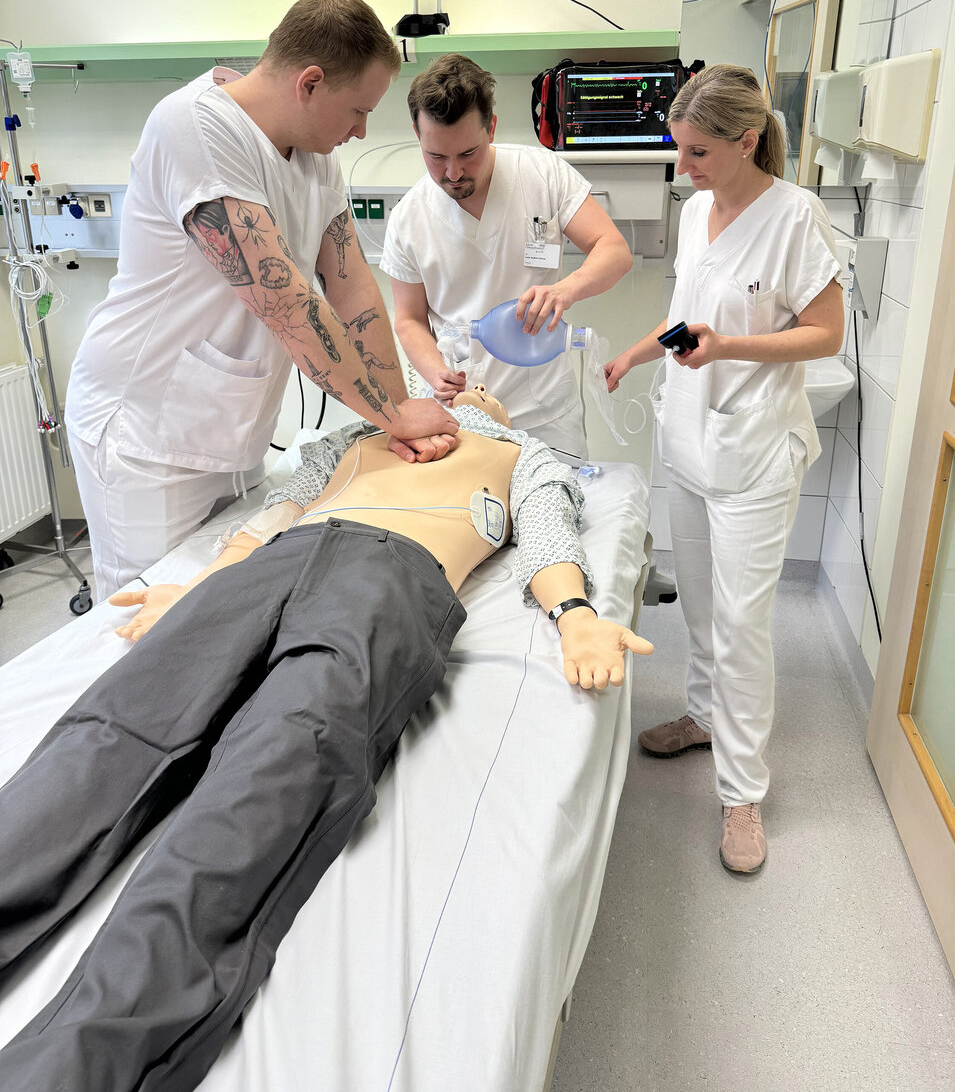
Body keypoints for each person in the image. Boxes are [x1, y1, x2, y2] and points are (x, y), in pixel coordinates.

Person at [0, 385, 651, 1092]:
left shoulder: (522, 453)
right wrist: (201, 585)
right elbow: (280, 509)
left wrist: (575, 615)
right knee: (109, 738)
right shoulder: (358, 435)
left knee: (273, 770)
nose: (467, 384)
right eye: (454, 379)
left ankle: (70, 1068)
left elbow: (549, 536)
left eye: (484, 388)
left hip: (391, 575)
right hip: (272, 565)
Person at [65, 0, 457, 601]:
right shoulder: (196, 125)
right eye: (358, 110)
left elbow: (353, 287)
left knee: (221, 595)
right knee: (151, 611)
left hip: (226, 422)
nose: (361, 131)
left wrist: (399, 410)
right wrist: (392, 416)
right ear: (310, 83)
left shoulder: (316, 157)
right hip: (145, 430)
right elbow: (284, 300)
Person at [604, 64, 844, 875]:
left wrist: (731, 347)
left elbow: (825, 334)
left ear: (746, 141)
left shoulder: (794, 216)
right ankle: (703, 718)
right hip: (688, 441)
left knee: (742, 626)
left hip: (753, 453)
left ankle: (741, 793)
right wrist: (636, 353)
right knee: (702, 608)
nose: (683, 167)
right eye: (678, 149)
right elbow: (684, 317)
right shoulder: (698, 210)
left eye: (697, 152)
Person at [380, 52, 632, 462]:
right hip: (458, 416)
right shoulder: (409, 218)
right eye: (436, 157)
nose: (453, 173)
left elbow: (614, 251)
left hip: (545, 413)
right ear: (417, 134)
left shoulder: (541, 174)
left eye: (468, 153)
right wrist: (435, 372)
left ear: (491, 127)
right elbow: (408, 319)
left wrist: (566, 290)